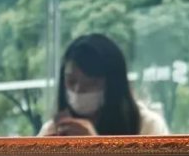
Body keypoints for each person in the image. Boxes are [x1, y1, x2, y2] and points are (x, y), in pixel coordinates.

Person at [38, 33, 169, 136]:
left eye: (90, 83)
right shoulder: (52, 129)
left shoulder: (148, 126)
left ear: (113, 85)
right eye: (71, 81)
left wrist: (96, 147)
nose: (78, 90)